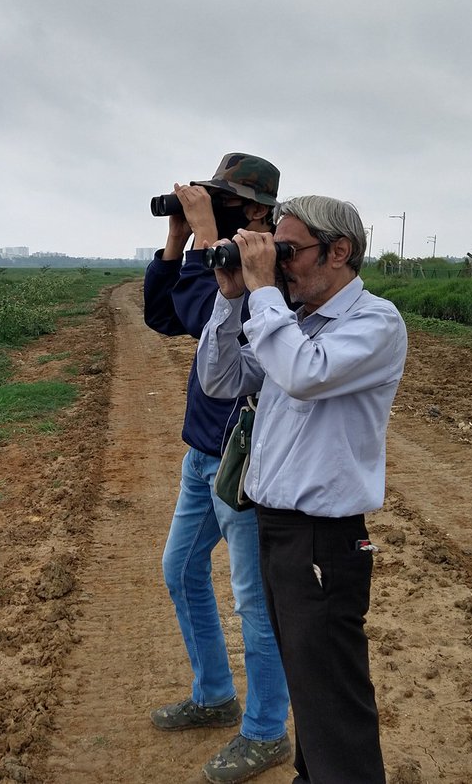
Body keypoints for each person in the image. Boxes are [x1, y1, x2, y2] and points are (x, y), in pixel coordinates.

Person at [195, 195, 407, 784]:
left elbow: (305, 374)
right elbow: (219, 378)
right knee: (307, 683)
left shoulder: (375, 323)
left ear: (339, 252)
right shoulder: (292, 325)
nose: (279, 264)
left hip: (323, 541)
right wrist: (232, 297)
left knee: (334, 696)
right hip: (277, 529)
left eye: (287, 251)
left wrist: (262, 294)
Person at [143, 153, 292, 784]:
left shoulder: (269, 272)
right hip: (202, 452)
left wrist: (209, 238)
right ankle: (214, 695)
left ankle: (265, 731)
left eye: (226, 201)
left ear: (256, 211)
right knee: (180, 570)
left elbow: (221, 309)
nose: (217, 209)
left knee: (255, 603)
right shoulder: (213, 253)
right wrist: (177, 239)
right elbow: (164, 314)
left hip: (246, 461)